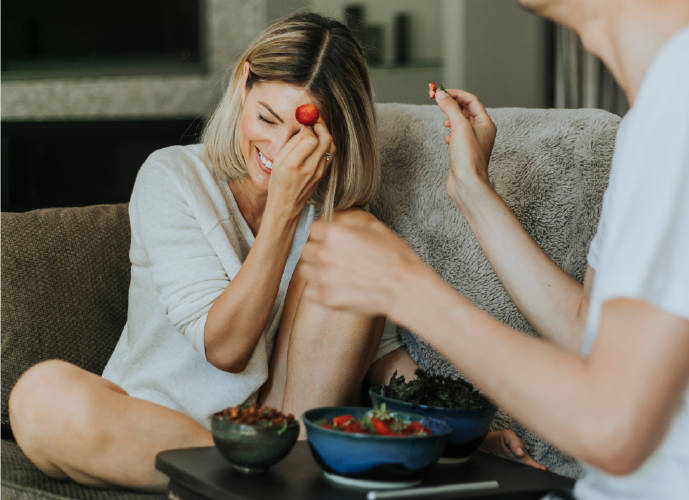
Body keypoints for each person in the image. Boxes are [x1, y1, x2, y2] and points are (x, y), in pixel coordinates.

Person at [299, 0, 689, 498]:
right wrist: (472, 191)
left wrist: (404, 289)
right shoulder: (664, 106)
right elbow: (588, 332)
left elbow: (611, 425)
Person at [7, 12, 418, 491]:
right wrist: (282, 213)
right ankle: (240, 483)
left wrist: (453, 433)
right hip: (152, 430)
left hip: (279, 436)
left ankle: (252, 481)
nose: (278, 147)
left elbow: (378, 358)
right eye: (267, 117)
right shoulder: (171, 177)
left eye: (303, 133)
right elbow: (225, 348)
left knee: (353, 232)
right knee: (40, 396)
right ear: (243, 83)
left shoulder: (333, 219)